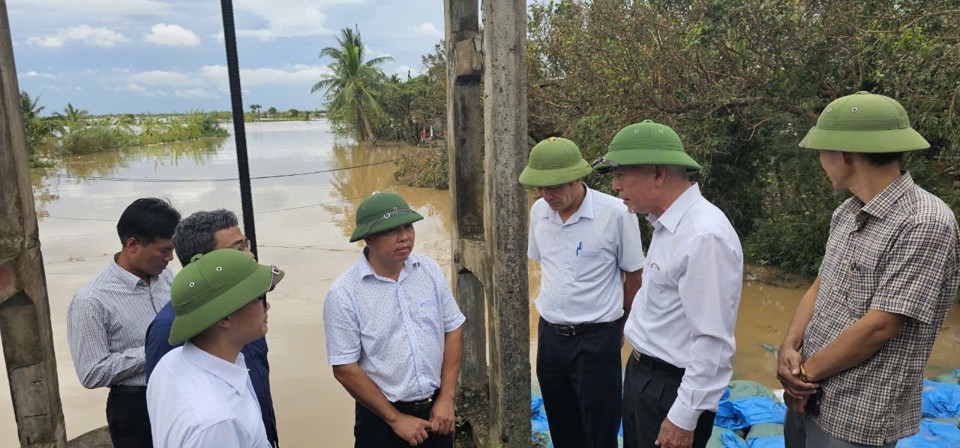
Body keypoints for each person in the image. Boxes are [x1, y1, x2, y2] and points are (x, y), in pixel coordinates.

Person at [777, 91, 960, 447]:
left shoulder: (925, 221)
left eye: (822, 152)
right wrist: (790, 344)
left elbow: (881, 325)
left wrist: (804, 375)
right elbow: (821, 283)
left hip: (857, 412)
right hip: (807, 395)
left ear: (844, 154)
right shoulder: (846, 214)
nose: (821, 161)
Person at [594, 120, 743, 448]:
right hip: (642, 374)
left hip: (670, 389)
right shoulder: (665, 226)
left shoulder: (705, 236)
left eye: (620, 174)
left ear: (658, 173)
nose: (615, 186)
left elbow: (712, 340)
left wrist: (683, 417)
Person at [519, 137, 645, 448]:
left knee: (600, 429)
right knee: (562, 426)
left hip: (596, 338)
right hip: (549, 338)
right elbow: (545, 265)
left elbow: (635, 276)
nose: (547, 195)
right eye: (540, 187)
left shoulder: (616, 213)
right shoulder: (538, 213)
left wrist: (622, 325)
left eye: (555, 186)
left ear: (578, 177)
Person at [323, 191, 465, 447]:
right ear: (367, 239)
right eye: (391, 231)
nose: (404, 237)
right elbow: (344, 367)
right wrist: (396, 419)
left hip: (437, 413)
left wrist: (446, 397)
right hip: (380, 419)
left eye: (408, 227)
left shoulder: (429, 271)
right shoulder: (344, 293)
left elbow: (453, 328)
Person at [144, 209, 279, 447]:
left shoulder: (186, 359)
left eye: (246, 245)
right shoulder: (216, 422)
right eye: (238, 249)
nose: (266, 305)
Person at [66, 197, 181, 448]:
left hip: (179, 391)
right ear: (133, 245)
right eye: (164, 250)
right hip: (136, 407)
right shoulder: (92, 301)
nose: (171, 258)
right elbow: (91, 372)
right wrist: (155, 351)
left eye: (172, 249)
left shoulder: (165, 279)